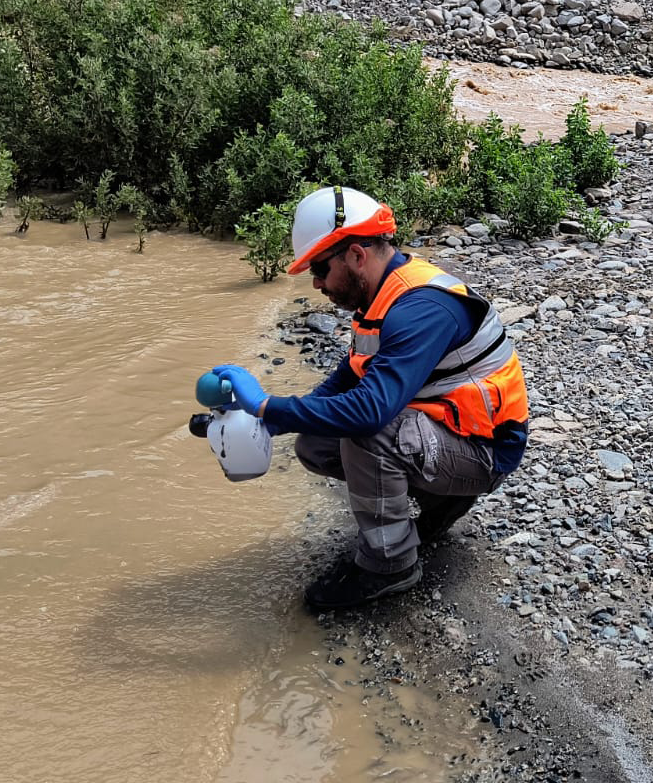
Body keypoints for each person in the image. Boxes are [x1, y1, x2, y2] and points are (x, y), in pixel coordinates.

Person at [209, 185, 528, 611]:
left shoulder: (421, 309)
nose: (316, 283)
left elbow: (369, 412)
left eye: (319, 268)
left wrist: (266, 404)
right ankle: (441, 501)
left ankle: (390, 567)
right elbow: (348, 376)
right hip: (450, 432)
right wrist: (275, 420)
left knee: (367, 434)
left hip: (485, 451)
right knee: (315, 443)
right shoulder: (382, 296)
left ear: (356, 255)